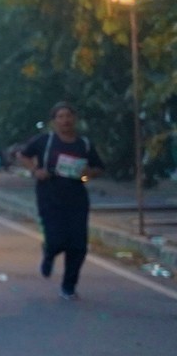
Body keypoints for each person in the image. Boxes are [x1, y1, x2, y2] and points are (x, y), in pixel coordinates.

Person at [15, 103, 106, 300]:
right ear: (54, 121)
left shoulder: (84, 144)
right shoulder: (45, 141)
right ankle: (49, 253)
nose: (65, 120)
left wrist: (88, 173)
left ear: (75, 119)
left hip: (76, 196)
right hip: (50, 195)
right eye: (61, 116)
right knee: (56, 238)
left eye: (68, 116)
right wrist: (36, 170)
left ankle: (69, 285)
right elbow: (23, 155)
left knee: (78, 244)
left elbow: (98, 167)